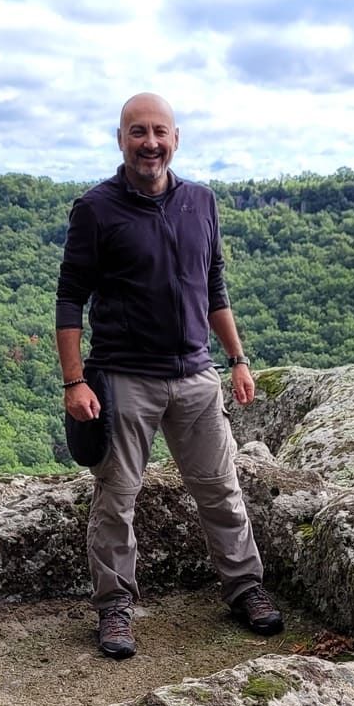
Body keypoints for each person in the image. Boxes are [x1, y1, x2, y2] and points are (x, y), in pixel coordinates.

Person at [55, 91, 285, 660]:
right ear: (121, 139)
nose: (150, 143)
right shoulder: (96, 209)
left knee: (220, 487)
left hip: (196, 374)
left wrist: (237, 359)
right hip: (123, 376)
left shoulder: (201, 202)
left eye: (160, 132)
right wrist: (74, 382)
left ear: (176, 138)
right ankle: (114, 606)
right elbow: (70, 298)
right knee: (117, 497)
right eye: (138, 132)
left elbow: (214, 286)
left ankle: (245, 587)